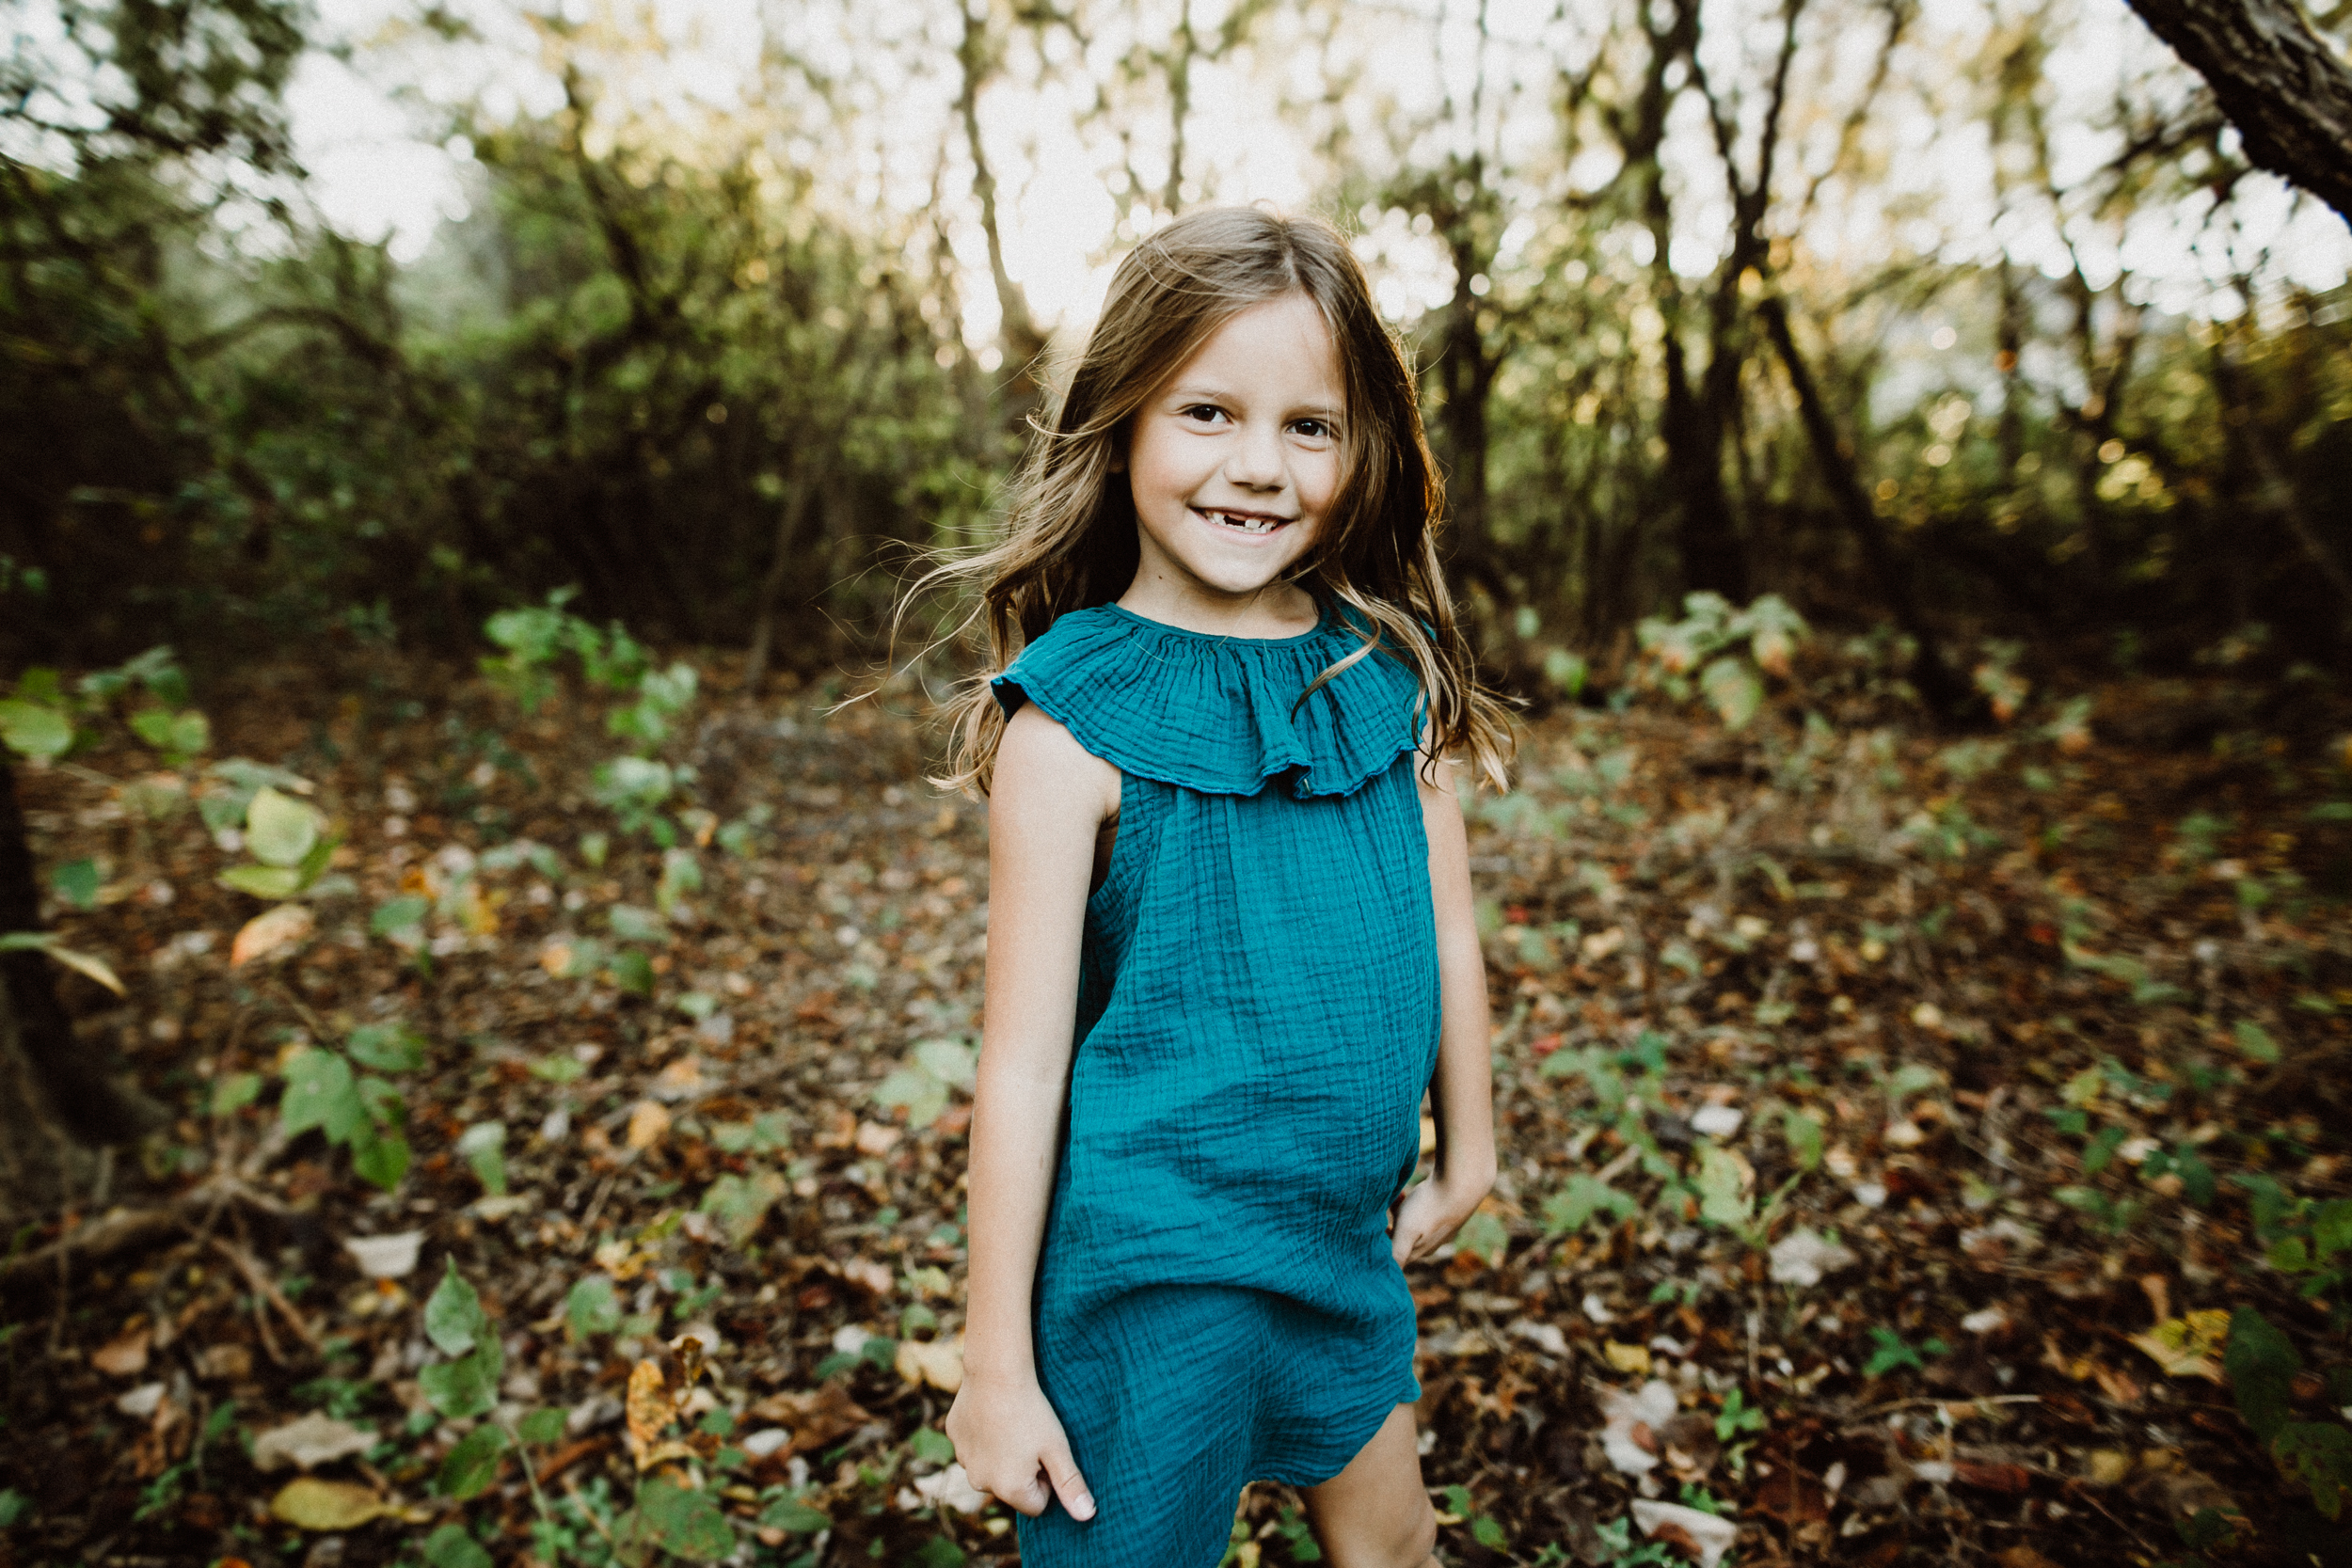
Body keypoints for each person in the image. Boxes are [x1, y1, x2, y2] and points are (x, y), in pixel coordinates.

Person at [919, 205, 1514, 1568]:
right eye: (1206, 413)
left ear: (1364, 446)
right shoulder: (1067, 733)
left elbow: (1447, 935)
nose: (1259, 466)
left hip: (1336, 1248)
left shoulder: (1385, 675)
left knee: (1400, 1552)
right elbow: (1017, 1070)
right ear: (1122, 419)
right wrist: (992, 1360)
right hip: (1151, 1273)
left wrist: (1469, 1145)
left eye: (1309, 425)